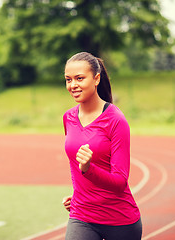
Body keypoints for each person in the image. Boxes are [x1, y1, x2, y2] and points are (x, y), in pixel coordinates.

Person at [62, 52, 142, 240]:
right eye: (68, 79)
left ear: (96, 78)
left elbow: (120, 182)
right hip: (82, 215)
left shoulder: (116, 120)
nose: (73, 85)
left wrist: (89, 169)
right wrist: (79, 194)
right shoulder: (68, 118)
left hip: (119, 220)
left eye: (79, 78)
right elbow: (76, 169)